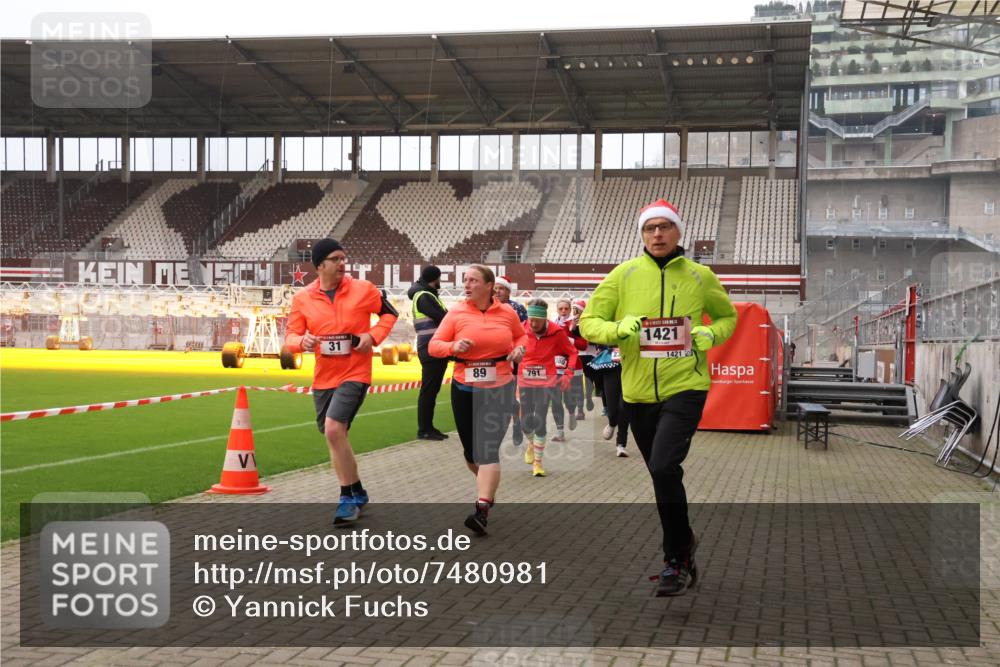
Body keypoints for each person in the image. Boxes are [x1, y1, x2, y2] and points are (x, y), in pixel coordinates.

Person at [580, 199, 737, 597]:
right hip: (636, 392)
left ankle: (673, 559)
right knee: (661, 475)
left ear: (678, 232)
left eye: (665, 227)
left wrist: (711, 335)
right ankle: (684, 545)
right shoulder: (623, 275)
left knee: (665, 465)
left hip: (686, 385)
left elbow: (727, 317)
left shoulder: (700, 276)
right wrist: (618, 329)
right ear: (642, 234)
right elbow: (588, 323)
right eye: (650, 228)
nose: (657, 234)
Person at [285, 238, 399, 525]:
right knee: (335, 436)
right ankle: (358, 490)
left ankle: (347, 498)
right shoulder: (303, 299)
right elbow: (289, 338)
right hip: (324, 376)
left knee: (334, 430)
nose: (342, 264)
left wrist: (371, 337)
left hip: (355, 372)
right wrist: (302, 341)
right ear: (320, 265)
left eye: (344, 258)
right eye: (335, 259)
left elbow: (389, 314)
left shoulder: (364, 289)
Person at [429, 264, 527, 535]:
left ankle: (482, 507)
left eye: (472, 280)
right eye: (465, 280)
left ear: (488, 286)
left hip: (500, 385)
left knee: (487, 449)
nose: (467, 285)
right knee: (472, 453)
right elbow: (433, 346)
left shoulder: (507, 313)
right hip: (465, 387)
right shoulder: (456, 313)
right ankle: (489, 487)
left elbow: (521, 335)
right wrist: (452, 347)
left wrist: (519, 349)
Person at [518, 298, 578, 477]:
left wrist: (568, 373)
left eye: (537, 320)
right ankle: (531, 443)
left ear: (545, 319)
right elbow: (508, 347)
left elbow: (572, 352)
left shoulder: (557, 333)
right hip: (525, 380)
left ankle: (538, 462)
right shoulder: (521, 329)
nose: (533, 323)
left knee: (540, 419)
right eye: (531, 320)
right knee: (525, 423)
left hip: (547, 381)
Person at [408, 265, 449, 440]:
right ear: (435, 278)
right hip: (431, 348)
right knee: (429, 390)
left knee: (431, 390)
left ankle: (428, 427)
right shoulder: (425, 296)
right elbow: (444, 318)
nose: (440, 282)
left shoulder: (427, 295)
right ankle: (424, 429)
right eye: (439, 278)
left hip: (433, 347)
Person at [494, 275, 527, 448]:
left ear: (508, 291)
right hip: (491, 359)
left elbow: (523, 333)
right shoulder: (486, 307)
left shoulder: (517, 308)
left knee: (509, 396)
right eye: (496, 288)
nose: (497, 291)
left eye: (501, 288)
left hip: (511, 359)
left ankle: (515, 424)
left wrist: (518, 350)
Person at [588, 344, 630, 458]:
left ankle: (621, 444)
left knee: (624, 406)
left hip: (630, 363)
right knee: (612, 407)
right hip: (610, 365)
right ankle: (612, 423)